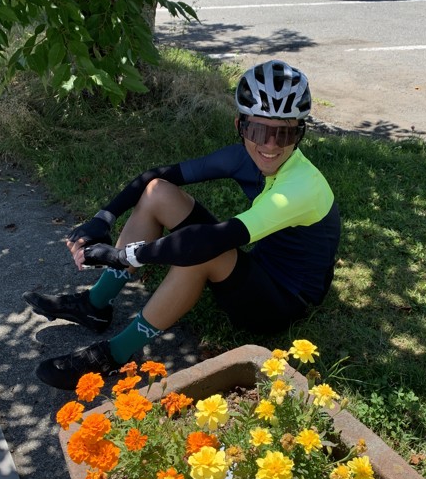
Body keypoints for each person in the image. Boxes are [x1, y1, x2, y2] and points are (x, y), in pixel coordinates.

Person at [25, 60, 341, 390]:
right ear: (240, 126)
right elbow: (156, 176)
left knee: (204, 250)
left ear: (300, 133)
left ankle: (113, 355)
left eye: (284, 133)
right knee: (157, 193)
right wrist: (102, 218)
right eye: (258, 131)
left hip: (283, 301)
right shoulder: (243, 157)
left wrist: (124, 256)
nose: (270, 145)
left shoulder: (301, 188)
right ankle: (94, 305)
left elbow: (209, 242)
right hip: (261, 266)